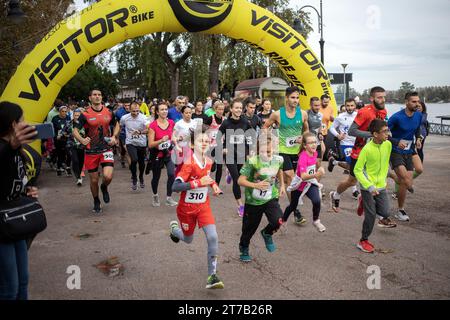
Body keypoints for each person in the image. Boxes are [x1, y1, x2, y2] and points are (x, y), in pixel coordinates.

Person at [329, 86, 396, 227]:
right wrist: (371, 135)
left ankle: (380, 216)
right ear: (371, 98)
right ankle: (335, 194)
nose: (382, 100)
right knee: (352, 182)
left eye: (384, 97)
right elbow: (352, 131)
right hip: (359, 152)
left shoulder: (383, 111)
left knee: (374, 181)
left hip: (374, 151)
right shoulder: (365, 112)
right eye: (379, 97)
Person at [169, 128, 224, 289]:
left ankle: (212, 276)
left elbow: (205, 177)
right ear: (193, 144)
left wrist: (213, 185)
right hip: (186, 209)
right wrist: (198, 183)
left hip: (203, 206)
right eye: (201, 141)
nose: (204, 143)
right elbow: (175, 187)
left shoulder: (209, 161)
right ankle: (174, 230)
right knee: (188, 239)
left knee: (213, 237)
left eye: (207, 141)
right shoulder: (188, 163)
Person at [0, 101, 39, 300]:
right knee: (9, 287)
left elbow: (15, 180)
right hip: (2, 226)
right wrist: (11, 146)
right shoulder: (5, 149)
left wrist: (26, 191)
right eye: (22, 120)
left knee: (23, 280)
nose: (26, 123)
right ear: (14, 124)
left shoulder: (19, 151)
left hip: (15, 222)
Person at [263, 86, 309, 223]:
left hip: (297, 151)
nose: (295, 100)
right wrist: (271, 138)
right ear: (287, 98)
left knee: (292, 183)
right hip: (282, 151)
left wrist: (303, 137)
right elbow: (265, 127)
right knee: (291, 176)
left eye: (297, 98)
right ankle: (296, 211)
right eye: (293, 97)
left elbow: (306, 130)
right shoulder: (277, 114)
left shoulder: (303, 114)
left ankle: (293, 210)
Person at [237, 133, 285, 262]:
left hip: (270, 197)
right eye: (263, 151)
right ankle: (244, 247)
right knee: (249, 229)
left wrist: (282, 186)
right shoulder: (252, 161)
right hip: (253, 201)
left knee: (278, 220)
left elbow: (279, 170)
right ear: (258, 150)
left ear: (274, 149)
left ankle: (267, 233)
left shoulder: (278, 160)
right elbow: (240, 181)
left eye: (269, 152)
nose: (266, 154)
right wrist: (255, 185)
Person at [73, 89, 120, 214]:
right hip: (91, 151)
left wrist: (114, 136)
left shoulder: (109, 112)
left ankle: (104, 187)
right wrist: (82, 140)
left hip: (106, 148)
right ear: (90, 98)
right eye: (94, 95)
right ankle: (96, 200)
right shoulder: (85, 114)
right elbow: (75, 130)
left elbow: (116, 124)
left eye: (99, 95)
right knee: (93, 180)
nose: (97, 96)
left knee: (108, 176)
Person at [354, 119, 397, 253]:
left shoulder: (388, 145)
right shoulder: (367, 149)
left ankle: (363, 203)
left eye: (387, 130)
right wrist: (369, 186)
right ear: (375, 134)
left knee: (385, 213)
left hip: (381, 186)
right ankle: (363, 240)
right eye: (384, 132)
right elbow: (357, 170)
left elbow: (385, 163)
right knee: (371, 215)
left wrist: (389, 175)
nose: (387, 134)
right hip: (368, 186)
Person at [388, 92, 424, 222]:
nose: (417, 104)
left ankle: (400, 209)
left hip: (410, 149)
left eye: (417, 101)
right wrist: (397, 142)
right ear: (406, 102)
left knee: (419, 169)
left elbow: (417, 129)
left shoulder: (419, 115)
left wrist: (419, 138)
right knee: (405, 180)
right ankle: (401, 210)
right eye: (413, 101)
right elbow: (384, 134)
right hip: (396, 150)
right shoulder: (396, 117)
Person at [282, 132, 326, 232]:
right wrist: (316, 174)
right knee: (293, 205)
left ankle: (316, 220)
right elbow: (303, 176)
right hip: (299, 184)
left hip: (310, 182)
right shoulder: (303, 157)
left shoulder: (315, 153)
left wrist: (320, 168)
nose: (314, 144)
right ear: (305, 146)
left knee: (317, 200)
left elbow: (315, 165)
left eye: (315, 142)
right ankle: (283, 220)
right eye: (310, 143)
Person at [219, 99, 252, 216]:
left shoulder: (245, 122)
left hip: (242, 153)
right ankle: (240, 205)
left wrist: (249, 152)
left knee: (243, 177)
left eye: (240, 108)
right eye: (236, 107)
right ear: (231, 109)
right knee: (237, 180)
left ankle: (229, 173)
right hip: (230, 155)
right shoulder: (226, 123)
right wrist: (222, 148)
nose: (238, 110)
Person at [327, 98, 359, 199]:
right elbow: (331, 128)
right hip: (346, 144)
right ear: (345, 106)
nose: (350, 108)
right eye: (348, 106)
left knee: (353, 166)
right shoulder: (340, 117)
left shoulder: (359, 115)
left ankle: (334, 162)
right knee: (353, 167)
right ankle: (355, 190)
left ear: (355, 106)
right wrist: (337, 135)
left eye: (352, 106)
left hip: (357, 144)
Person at [148, 102, 178, 207]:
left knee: (171, 174)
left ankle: (169, 198)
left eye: (166, 109)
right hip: (157, 154)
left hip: (168, 153)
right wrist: (161, 140)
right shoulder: (153, 125)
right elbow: (150, 144)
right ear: (157, 112)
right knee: (156, 177)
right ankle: (155, 195)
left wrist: (175, 140)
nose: (164, 111)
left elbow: (172, 136)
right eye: (162, 109)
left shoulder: (171, 122)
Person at [120, 101, 149, 190]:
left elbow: (149, 129)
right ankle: (134, 177)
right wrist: (118, 139)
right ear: (129, 110)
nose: (136, 113)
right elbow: (120, 126)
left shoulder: (144, 118)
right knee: (134, 159)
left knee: (141, 162)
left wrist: (140, 132)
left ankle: (140, 177)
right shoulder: (124, 118)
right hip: (130, 142)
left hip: (141, 143)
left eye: (137, 111)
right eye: (133, 111)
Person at [204, 101, 226, 184]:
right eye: (219, 109)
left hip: (220, 146)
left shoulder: (225, 120)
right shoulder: (210, 118)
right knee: (212, 168)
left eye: (222, 109)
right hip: (210, 146)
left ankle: (217, 185)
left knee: (220, 167)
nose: (220, 111)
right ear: (215, 109)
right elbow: (204, 129)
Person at [64, 108, 85, 186]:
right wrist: (69, 135)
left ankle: (79, 174)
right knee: (75, 161)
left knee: (81, 161)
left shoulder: (84, 124)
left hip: (81, 146)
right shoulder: (69, 123)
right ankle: (78, 177)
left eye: (78, 115)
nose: (76, 117)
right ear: (73, 115)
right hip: (71, 145)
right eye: (75, 115)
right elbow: (64, 132)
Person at [173, 105, 198, 171]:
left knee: (191, 168)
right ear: (182, 113)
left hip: (192, 148)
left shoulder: (194, 122)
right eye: (186, 113)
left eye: (190, 113)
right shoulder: (178, 124)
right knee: (181, 168)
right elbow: (173, 137)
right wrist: (178, 138)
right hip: (181, 149)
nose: (188, 114)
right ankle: (178, 180)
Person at [52, 105, 72, 176]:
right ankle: (58, 168)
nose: (64, 113)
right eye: (62, 111)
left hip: (67, 139)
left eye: (65, 111)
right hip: (58, 139)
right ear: (59, 112)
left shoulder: (68, 118)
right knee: (60, 154)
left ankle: (67, 168)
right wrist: (56, 136)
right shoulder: (55, 118)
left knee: (69, 154)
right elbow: (55, 129)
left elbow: (69, 128)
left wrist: (67, 134)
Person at [114, 100, 131, 168]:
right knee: (124, 150)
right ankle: (123, 160)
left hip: (133, 134)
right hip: (123, 134)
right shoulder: (119, 112)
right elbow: (116, 125)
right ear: (123, 105)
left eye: (128, 105)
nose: (127, 107)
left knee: (129, 151)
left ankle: (131, 166)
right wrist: (116, 137)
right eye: (125, 105)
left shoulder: (136, 110)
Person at [319, 94, 335, 161]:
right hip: (316, 131)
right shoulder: (317, 107)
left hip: (324, 131)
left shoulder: (330, 108)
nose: (326, 104)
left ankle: (320, 161)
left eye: (327, 102)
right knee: (319, 148)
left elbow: (331, 119)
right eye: (325, 102)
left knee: (322, 148)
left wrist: (332, 118)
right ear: (321, 100)